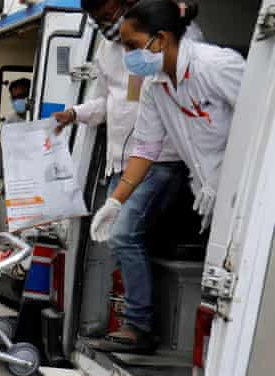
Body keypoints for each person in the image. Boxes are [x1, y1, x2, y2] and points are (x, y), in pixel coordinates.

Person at [88, 1, 244, 354]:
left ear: (159, 39)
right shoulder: (155, 86)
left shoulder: (216, 66)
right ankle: (207, 371)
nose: (128, 56)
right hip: (212, 193)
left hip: (247, 192)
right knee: (220, 283)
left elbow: (263, 118)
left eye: (132, 45)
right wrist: (116, 202)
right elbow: (146, 148)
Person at [53, 0, 202, 353]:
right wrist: (74, 113)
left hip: (160, 160)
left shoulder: (170, 37)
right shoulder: (108, 51)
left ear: (124, 5)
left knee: (123, 235)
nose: (103, 24)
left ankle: (139, 326)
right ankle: (127, 319)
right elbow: (107, 103)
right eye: (95, 20)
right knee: (116, 238)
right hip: (119, 163)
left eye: (106, 15)